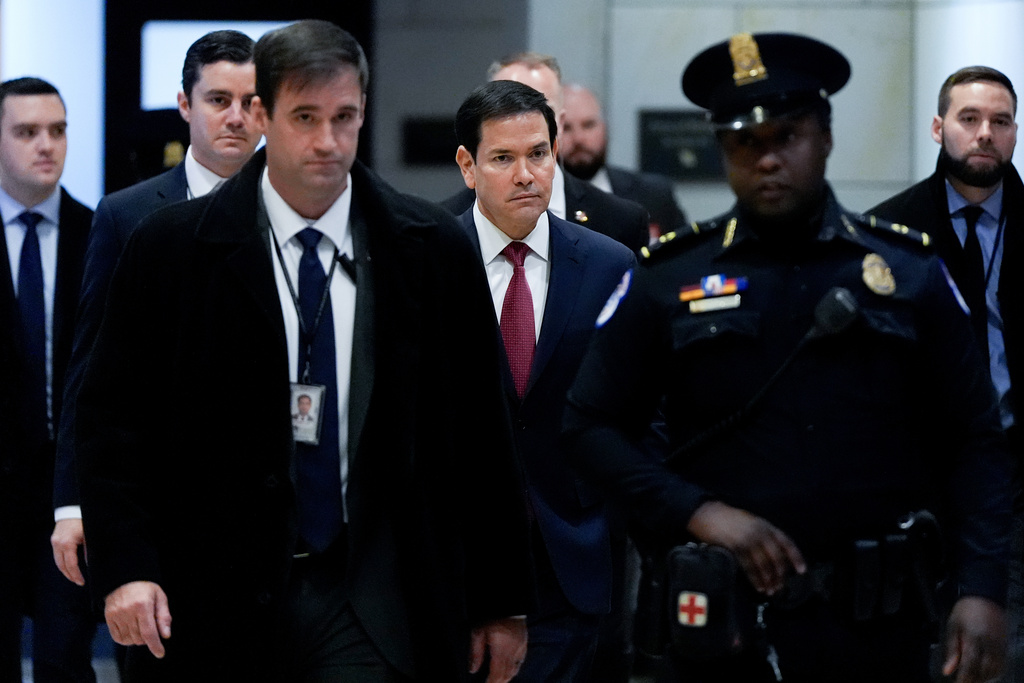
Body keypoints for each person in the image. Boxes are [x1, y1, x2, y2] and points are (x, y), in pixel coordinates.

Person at [75, 19, 532, 683]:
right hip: (213, 589)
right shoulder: (171, 250)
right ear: (263, 114)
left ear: (363, 112)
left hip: (378, 591)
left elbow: (484, 434)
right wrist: (127, 568)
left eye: (343, 118)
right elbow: (113, 423)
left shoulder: (431, 249)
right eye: (305, 117)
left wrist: (501, 601)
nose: (326, 142)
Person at [562, 32, 1013, 683]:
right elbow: (588, 426)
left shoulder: (906, 272)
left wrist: (981, 585)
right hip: (722, 626)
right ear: (723, 151)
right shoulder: (670, 278)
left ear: (824, 138)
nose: (768, 158)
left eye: (787, 136)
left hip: (878, 625)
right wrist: (697, 511)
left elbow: (976, 436)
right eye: (745, 141)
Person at [51, 29, 261, 589]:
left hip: (268, 490)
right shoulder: (127, 214)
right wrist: (72, 501)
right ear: (185, 105)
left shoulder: (297, 209)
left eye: (251, 102)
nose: (236, 117)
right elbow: (89, 367)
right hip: (158, 492)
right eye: (219, 100)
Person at [453, 79, 635, 681]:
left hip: (571, 555)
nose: (526, 175)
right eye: (503, 158)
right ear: (468, 166)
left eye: (538, 154)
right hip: (457, 560)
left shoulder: (609, 264)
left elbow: (638, 410)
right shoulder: (428, 259)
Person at [869, 65, 1023, 683]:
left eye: (1001, 121)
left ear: (1014, 134)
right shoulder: (890, 232)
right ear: (939, 128)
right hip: (921, 477)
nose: (985, 133)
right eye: (969, 119)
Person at [0, 77, 97, 682]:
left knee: (65, 662)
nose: (46, 145)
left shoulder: (102, 232)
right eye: (27, 132)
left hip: (71, 496)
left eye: (57, 131)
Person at [443, 52, 649, 254]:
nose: (522, 118)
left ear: (560, 121)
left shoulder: (621, 221)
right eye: (504, 106)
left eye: (538, 106)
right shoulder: (441, 228)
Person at [561, 83, 687, 241]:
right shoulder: (541, 202)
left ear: (605, 127)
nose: (579, 138)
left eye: (589, 125)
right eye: (566, 128)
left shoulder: (654, 195)